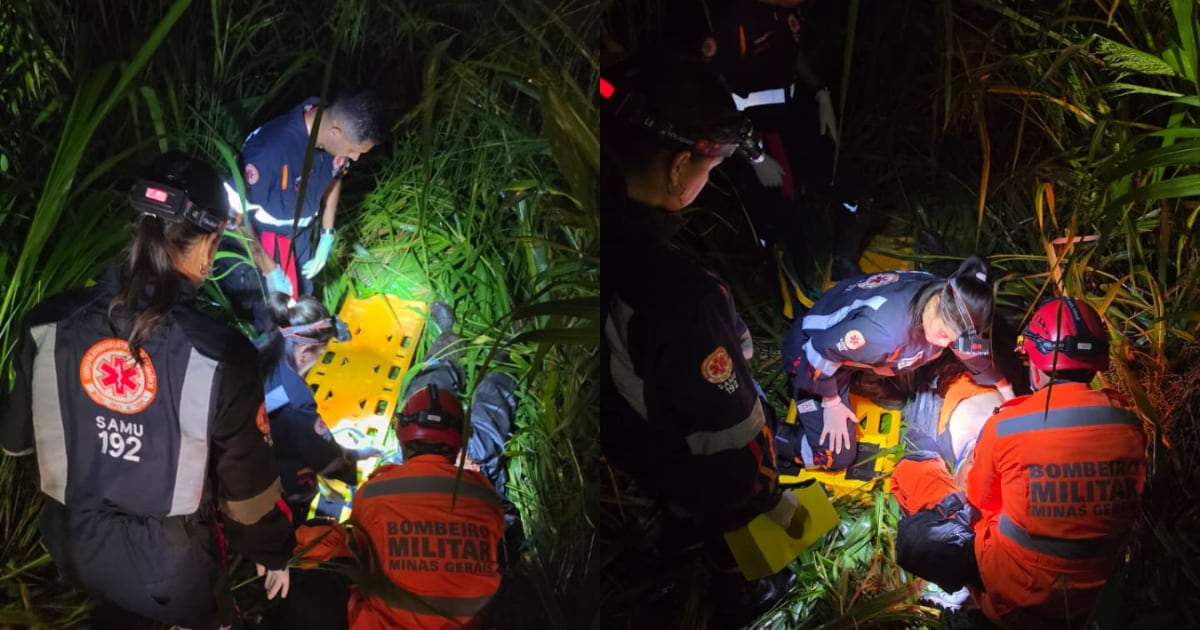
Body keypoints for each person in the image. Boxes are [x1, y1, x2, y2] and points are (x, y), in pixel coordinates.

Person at [0, 151, 294, 630]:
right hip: (170, 571)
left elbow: (15, 440)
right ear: (210, 243)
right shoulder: (220, 354)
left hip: (71, 545)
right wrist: (272, 552)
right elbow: (247, 493)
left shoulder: (46, 324)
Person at [600, 53, 803, 625]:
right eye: (710, 170)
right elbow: (730, 442)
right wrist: (766, 491)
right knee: (721, 520)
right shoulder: (683, 297)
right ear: (677, 168)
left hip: (632, 444)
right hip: (681, 462)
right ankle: (736, 589)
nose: (706, 182)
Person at [890, 296, 1147, 627]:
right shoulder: (1129, 423)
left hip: (1015, 598)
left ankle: (965, 592)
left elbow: (978, 501)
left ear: (1036, 365)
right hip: (1092, 598)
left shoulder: (1009, 425)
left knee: (913, 473)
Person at [267, 301, 517, 630]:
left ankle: (461, 345)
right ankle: (501, 353)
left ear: (403, 441)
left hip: (435, 477)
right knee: (481, 431)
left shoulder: (378, 491)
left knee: (438, 403)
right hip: (461, 471)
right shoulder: (479, 496)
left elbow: (353, 535)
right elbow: (495, 520)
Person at [780, 258, 1015, 473]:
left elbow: (973, 353)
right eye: (944, 334)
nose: (946, 344)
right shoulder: (884, 334)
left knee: (899, 395)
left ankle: (861, 376)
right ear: (937, 302)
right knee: (837, 457)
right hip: (810, 358)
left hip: (849, 319)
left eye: (952, 339)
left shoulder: (951, 297)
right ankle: (774, 436)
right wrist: (831, 402)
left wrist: (1006, 391)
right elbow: (817, 351)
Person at [700, 0, 871, 280]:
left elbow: (792, 51)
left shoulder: (782, 11)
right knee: (774, 217)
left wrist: (820, 92)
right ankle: (775, 277)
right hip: (752, 127)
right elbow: (712, 93)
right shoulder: (732, 22)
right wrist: (755, 155)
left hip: (794, 113)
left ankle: (844, 262)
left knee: (854, 193)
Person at [235, 89, 386, 298]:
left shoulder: (329, 130)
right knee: (275, 308)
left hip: (300, 235)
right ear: (335, 132)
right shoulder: (269, 152)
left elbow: (334, 176)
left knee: (305, 296)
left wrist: (327, 234)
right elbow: (234, 218)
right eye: (353, 150)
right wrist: (269, 269)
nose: (355, 158)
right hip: (262, 240)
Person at [258, 292, 382, 523]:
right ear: (305, 351)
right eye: (322, 353)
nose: (320, 359)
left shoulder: (258, 351)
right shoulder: (296, 399)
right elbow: (329, 462)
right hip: (278, 485)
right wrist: (359, 453)